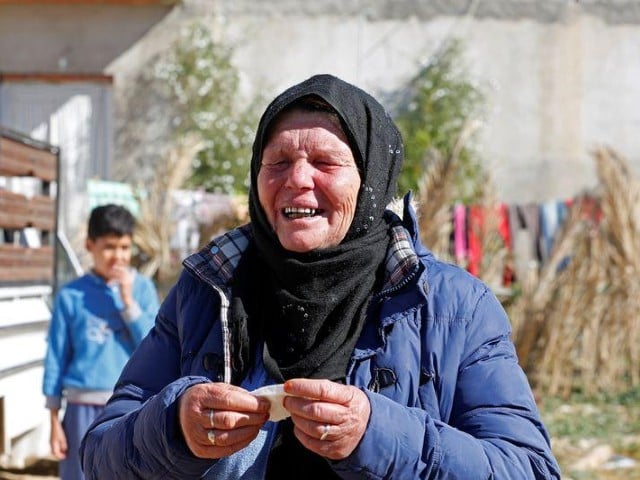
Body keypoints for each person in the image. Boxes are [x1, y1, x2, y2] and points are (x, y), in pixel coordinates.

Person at [80, 74, 561, 479]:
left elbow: (529, 467)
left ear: (372, 180)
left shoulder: (452, 304)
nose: (298, 180)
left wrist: (377, 434)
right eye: (279, 162)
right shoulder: (208, 288)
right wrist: (174, 427)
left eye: (326, 162)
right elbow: (100, 453)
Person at [42, 204, 160, 480]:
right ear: (90, 245)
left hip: (132, 407)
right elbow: (56, 357)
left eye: (124, 247)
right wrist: (53, 420)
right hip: (80, 409)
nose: (117, 257)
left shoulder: (142, 290)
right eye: (109, 247)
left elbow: (156, 349)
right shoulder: (71, 295)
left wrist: (129, 304)